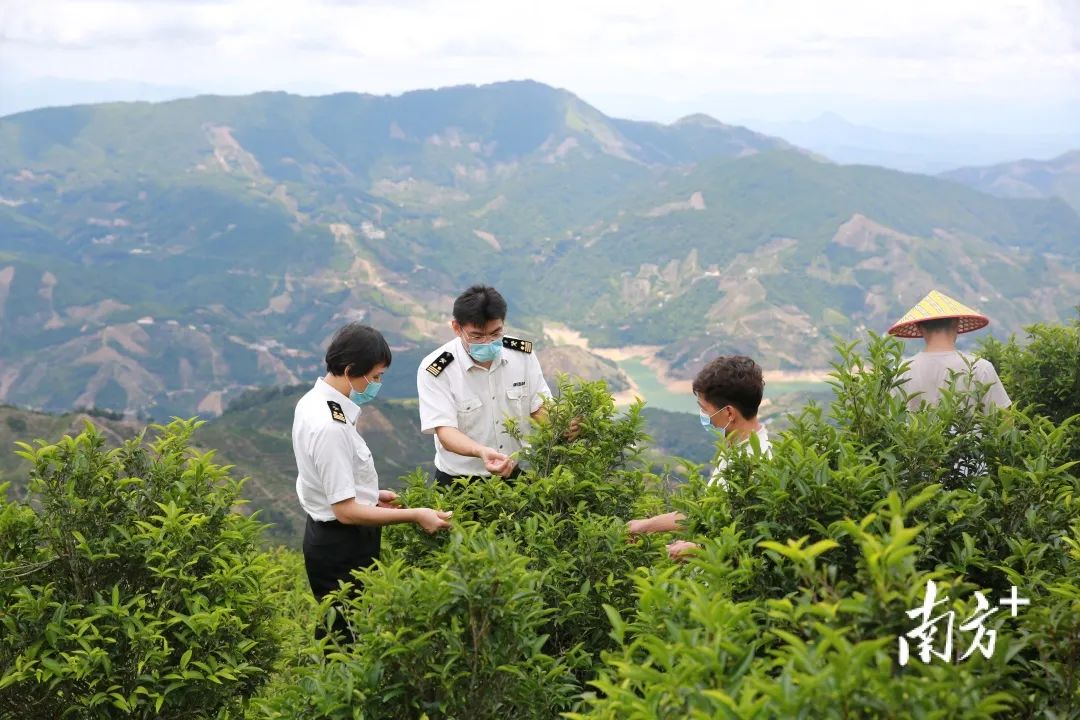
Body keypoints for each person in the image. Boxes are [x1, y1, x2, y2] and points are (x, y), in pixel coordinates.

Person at [293, 322, 452, 641]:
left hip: (333, 535)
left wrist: (369, 494)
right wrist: (415, 514)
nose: (377, 384)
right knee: (349, 639)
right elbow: (346, 512)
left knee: (346, 628)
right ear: (351, 369)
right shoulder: (330, 426)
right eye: (376, 376)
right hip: (342, 545)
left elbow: (327, 480)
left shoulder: (315, 403)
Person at [626, 355, 772, 560]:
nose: (703, 415)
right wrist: (645, 526)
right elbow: (707, 513)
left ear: (729, 412)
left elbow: (749, 543)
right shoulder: (736, 446)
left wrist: (698, 551)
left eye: (705, 409)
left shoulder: (753, 464)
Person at [416, 285, 553, 486]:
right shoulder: (437, 368)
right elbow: (445, 432)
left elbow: (538, 406)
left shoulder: (521, 354)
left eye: (495, 333)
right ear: (457, 328)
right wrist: (480, 451)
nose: (488, 342)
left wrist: (562, 424)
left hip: (515, 472)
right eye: (477, 337)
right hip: (460, 481)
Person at [887, 290, 1011, 411]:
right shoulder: (981, 368)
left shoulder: (902, 371)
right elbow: (1005, 421)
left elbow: (892, 419)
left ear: (919, 327)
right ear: (956, 323)